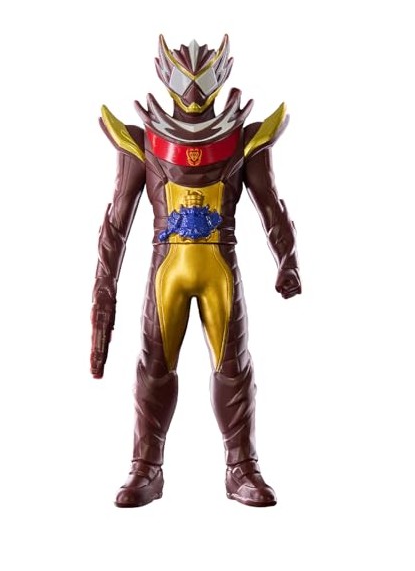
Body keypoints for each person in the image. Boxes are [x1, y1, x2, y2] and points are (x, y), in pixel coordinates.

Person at [91, 35, 301, 507]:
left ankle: (241, 467)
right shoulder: (143, 141)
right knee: (155, 366)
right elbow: (116, 223)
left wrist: (287, 259)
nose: (192, 93)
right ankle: (146, 467)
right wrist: (104, 289)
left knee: (233, 368)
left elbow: (270, 206)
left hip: (217, 266)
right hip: (168, 267)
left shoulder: (244, 139)